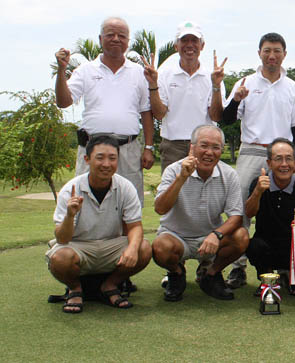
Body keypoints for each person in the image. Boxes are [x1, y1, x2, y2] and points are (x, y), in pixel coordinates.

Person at [218, 32, 295, 288]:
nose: (272, 55)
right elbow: (227, 118)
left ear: (284, 54)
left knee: (287, 208)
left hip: (282, 156)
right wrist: (236, 99)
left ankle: (287, 263)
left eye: (277, 50)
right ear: (259, 53)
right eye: (267, 50)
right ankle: (238, 267)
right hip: (252, 151)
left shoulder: (292, 87)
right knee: (241, 208)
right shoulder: (246, 83)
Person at [45, 135, 151, 313]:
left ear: (118, 160)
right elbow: (62, 239)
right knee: (60, 259)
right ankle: (75, 289)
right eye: (100, 158)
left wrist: (132, 248)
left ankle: (109, 286)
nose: (106, 164)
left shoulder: (125, 187)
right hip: (79, 246)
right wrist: (70, 216)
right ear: (87, 160)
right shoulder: (71, 189)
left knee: (144, 248)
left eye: (112, 158)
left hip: (111, 245)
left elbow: (135, 226)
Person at [54, 17, 155, 204]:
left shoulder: (139, 73)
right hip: (92, 148)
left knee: (129, 202)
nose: (116, 39)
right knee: (85, 201)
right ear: (100, 39)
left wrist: (148, 147)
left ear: (128, 42)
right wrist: (61, 71)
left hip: (128, 149)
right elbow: (63, 102)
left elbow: (146, 112)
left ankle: (130, 235)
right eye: (110, 35)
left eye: (122, 36)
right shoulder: (85, 70)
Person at [151, 125, 248, 301]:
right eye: (204, 146)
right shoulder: (174, 170)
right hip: (176, 237)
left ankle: (210, 274)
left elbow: (236, 217)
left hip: (210, 239)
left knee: (241, 237)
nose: (209, 152)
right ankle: (177, 273)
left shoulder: (229, 174)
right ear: (192, 147)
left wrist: (216, 235)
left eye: (216, 147)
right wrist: (181, 178)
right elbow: (160, 208)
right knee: (160, 247)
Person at [142, 21, 227, 173]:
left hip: (204, 145)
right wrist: (153, 84)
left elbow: (216, 115)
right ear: (176, 46)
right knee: (172, 193)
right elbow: (160, 114)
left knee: (204, 192)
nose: (190, 45)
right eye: (184, 40)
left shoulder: (213, 76)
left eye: (194, 41)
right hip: (173, 146)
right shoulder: (164, 74)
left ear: (202, 46)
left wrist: (216, 86)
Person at [245, 138, 295, 294]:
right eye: (278, 159)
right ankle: (268, 279)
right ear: (269, 163)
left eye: (289, 159)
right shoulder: (258, 184)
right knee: (253, 245)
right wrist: (257, 192)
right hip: (267, 246)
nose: (284, 164)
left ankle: (293, 276)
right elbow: (249, 213)